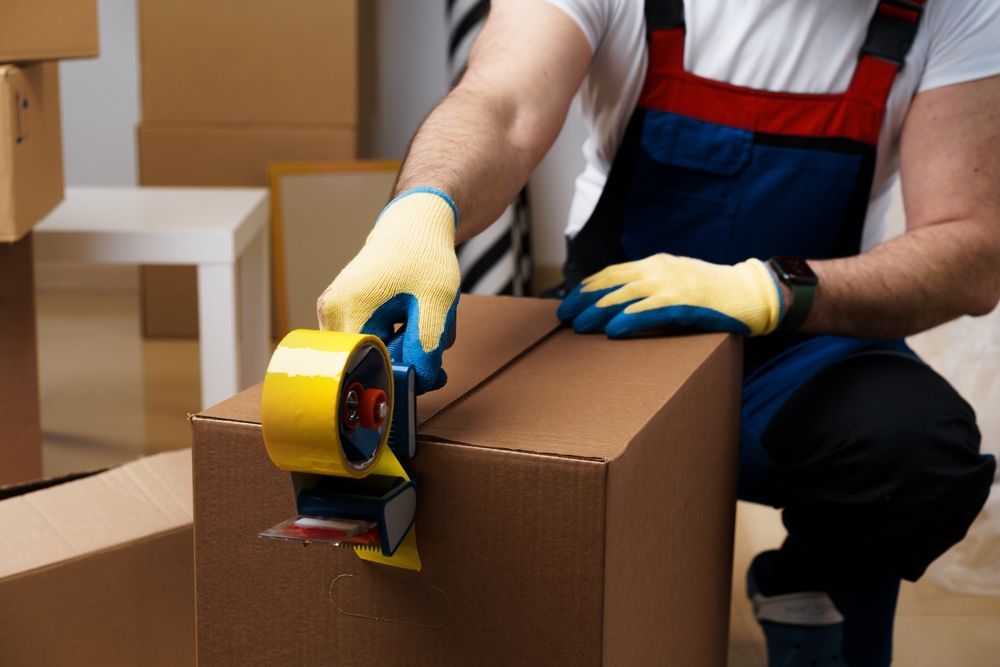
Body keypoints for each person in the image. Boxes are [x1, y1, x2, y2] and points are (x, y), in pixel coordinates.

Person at [317, 1, 1000, 664]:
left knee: (914, 450)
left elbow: (971, 247)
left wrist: (769, 289)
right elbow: (500, 104)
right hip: (614, 330)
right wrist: (423, 208)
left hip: (805, 344)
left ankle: (813, 593)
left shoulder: (952, 9)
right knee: (480, 456)